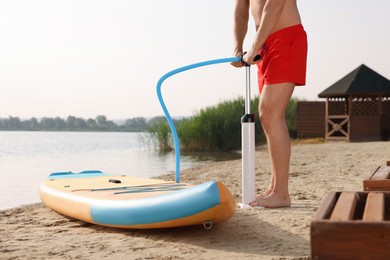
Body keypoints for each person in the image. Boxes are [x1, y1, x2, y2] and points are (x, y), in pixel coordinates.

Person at [231, 0, 307, 208]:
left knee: (270, 112)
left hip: (286, 38)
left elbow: (274, 6)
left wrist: (253, 46)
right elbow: (241, 11)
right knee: (268, 116)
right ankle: (275, 188)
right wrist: (238, 48)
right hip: (264, 45)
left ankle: (281, 193)